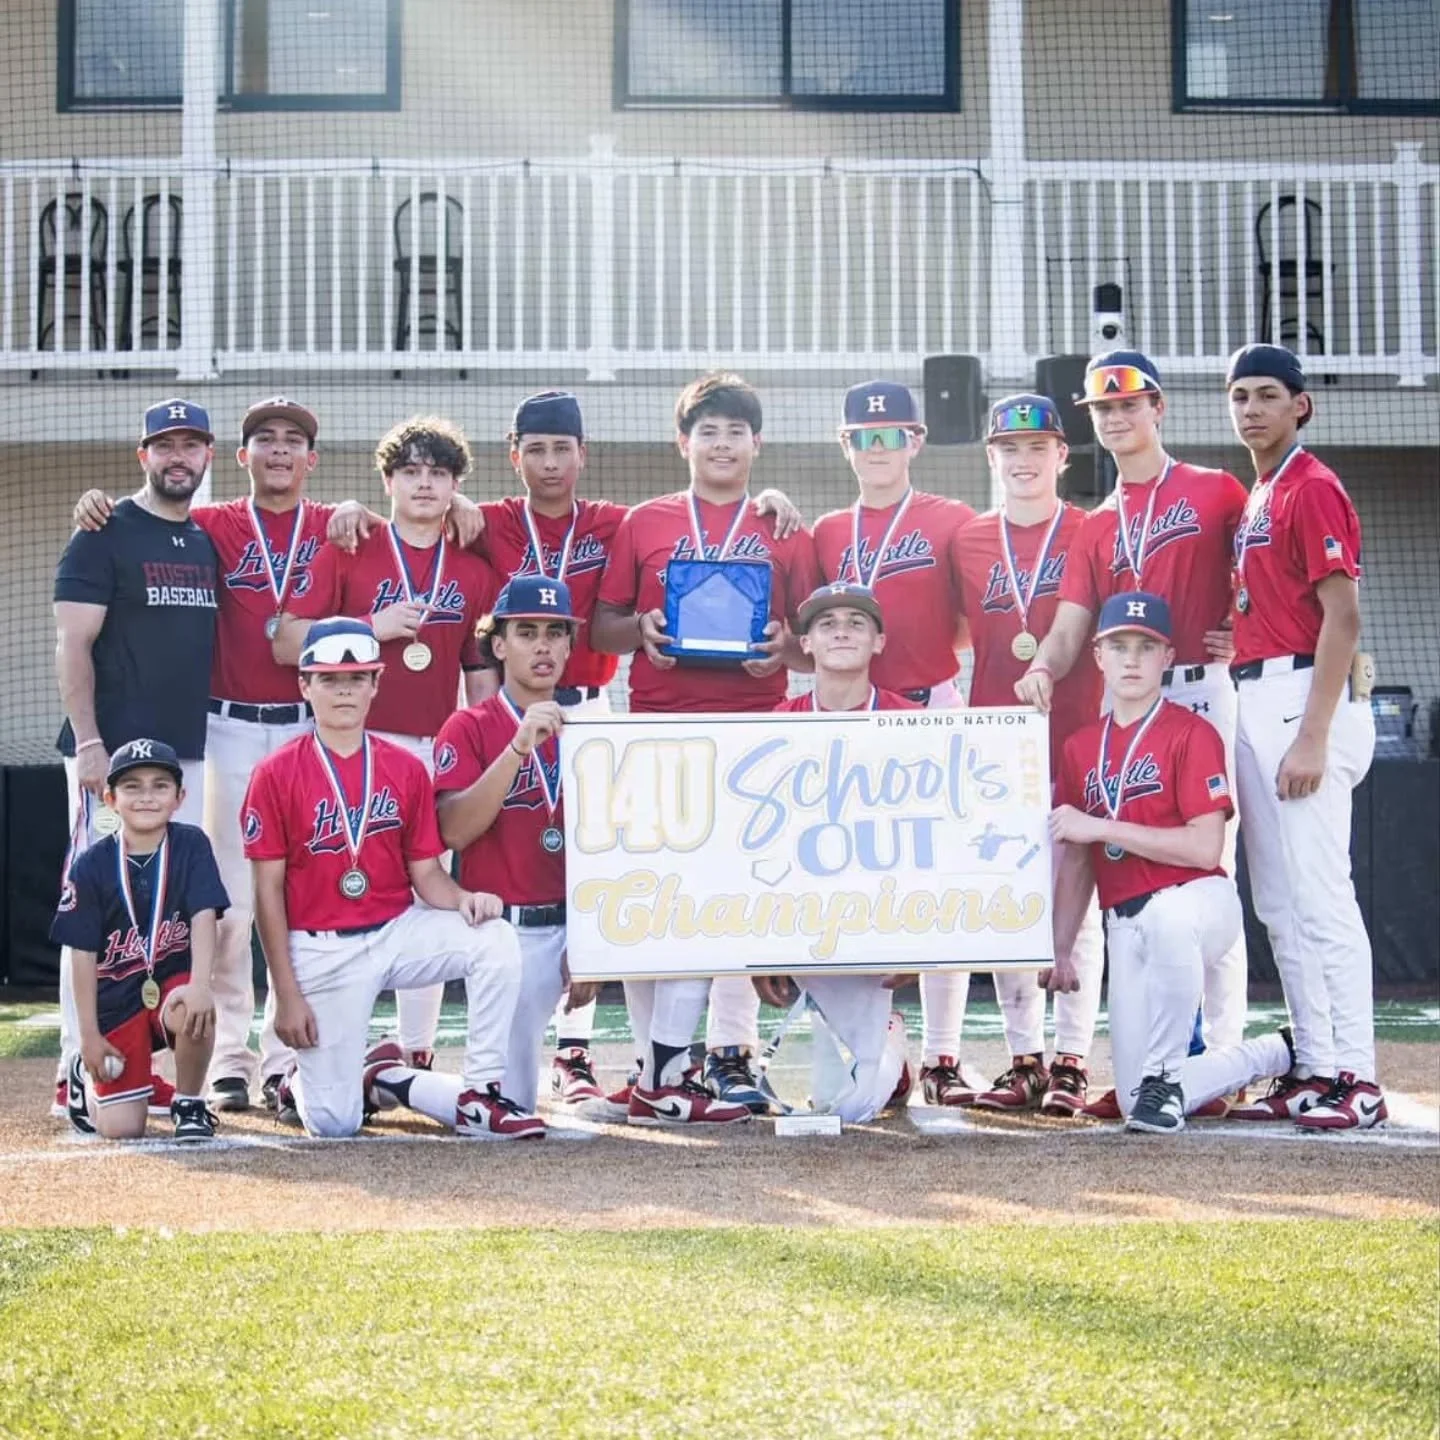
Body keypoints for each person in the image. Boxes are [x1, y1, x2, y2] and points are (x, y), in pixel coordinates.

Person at [72, 395, 333, 1116]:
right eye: (264, 440)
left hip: (306, 730)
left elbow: (410, 528)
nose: (279, 451)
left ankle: (291, 1063)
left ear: (311, 459)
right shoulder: (210, 525)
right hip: (223, 730)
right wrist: (98, 503)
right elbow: (146, 513)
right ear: (240, 458)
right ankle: (228, 1058)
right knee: (227, 903)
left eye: (293, 442)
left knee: (304, 896)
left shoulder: (342, 529)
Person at [1014, 350, 1252, 1083]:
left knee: (1216, 867)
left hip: (1202, 687)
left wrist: (1249, 630)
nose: (1117, 419)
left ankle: (1219, 1056)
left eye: (1129, 405)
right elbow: (1072, 621)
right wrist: (1046, 665)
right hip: (1124, 693)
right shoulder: (1097, 523)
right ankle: (1151, 1057)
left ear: (1159, 408)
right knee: (1133, 866)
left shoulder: (1217, 491)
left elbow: (1264, 580)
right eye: (1104, 411)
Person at [591, 371, 819, 1124]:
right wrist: (642, 634)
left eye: (735, 431)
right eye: (707, 431)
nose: (721, 444)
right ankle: (659, 1061)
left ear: (757, 443)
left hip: (756, 727)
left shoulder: (784, 527)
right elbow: (603, 626)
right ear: (682, 443)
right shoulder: (645, 521)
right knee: (661, 895)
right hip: (661, 725)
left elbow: (812, 648)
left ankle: (729, 1052)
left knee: (738, 894)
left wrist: (783, 649)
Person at [242, 617, 535, 1140]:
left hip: (397, 929)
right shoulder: (275, 773)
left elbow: (426, 874)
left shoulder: (403, 768)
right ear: (304, 685)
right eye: (330, 679)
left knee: (495, 938)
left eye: (357, 679)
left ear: (377, 684)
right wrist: (285, 993)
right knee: (334, 1125)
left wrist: (464, 899)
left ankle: (483, 1088)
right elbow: (267, 893)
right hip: (323, 950)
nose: (344, 690)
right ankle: (382, 1077)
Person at [275, 417, 500, 1081]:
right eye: (410, 472)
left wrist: (483, 751)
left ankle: (415, 1048)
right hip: (350, 748)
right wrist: (370, 628)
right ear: (388, 482)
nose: (424, 484)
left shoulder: (472, 567)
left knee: (428, 892)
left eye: (438, 473)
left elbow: (478, 672)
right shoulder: (352, 543)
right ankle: (290, 1055)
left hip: (434, 751)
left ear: (457, 485)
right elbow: (287, 640)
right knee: (326, 888)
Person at [1048, 592, 1293, 1133]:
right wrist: (1061, 947)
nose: (1131, 659)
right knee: (1137, 1102)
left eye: (1146, 647)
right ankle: (1273, 1054)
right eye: (1119, 647)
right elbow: (1081, 863)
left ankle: (1164, 1074)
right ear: (1098, 657)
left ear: (1167, 658)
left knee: (1167, 916)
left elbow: (1205, 848)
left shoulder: (1192, 731)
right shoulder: (1079, 747)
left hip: (1198, 902)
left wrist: (1104, 827)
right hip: (1124, 923)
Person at [1221, 344, 1385, 1130]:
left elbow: (1343, 616)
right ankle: (1315, 1066)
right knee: (1281, 906)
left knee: (1323, 898)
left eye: (1266, 395)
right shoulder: (1262, 493)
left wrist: (1313, 736)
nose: (1250, 408)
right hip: (1258, 693)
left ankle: (1359, 1074)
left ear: (1299, 405)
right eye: (1239, 396)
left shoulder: (1312, 485)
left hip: (1302, 701)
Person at [809, 379, 979, 1109]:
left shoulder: (954, 518)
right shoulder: (824, 531)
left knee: (937, 882)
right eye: (862, 438)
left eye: (891, 436)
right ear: (846, 446)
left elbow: (977, 619)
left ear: (914, 442)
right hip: (849, 720)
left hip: (930, 706)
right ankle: (864, 1038)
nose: (877, 449)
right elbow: (817, 627)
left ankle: (943, 1054)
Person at [52, 398, 219, 1120]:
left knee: (172, 915)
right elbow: (72, 644)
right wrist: (90, 743)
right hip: (111, 762)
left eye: (190, 445)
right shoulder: (103, 531)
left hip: (187, 756)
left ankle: (145, 1061)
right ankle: (72, 1067)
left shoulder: (209, 539)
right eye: (164, 445)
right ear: (142, 455)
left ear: (209, 455)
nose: (177, 457)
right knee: (94, 909)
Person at [948, 395, 1105, 1115]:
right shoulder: (968, 538)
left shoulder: (1092, 529)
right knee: (1007, 894)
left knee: (1082, 900)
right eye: (1009, 448)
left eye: (1038, 447)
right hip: (995, 737)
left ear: (1061, 456)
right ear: (991, 457)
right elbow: (945, 628)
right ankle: (1025, 1060)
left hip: (1079, 728)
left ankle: (1072, 1061)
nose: (1023, 460)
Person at [419, 575, 602, 1120]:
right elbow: (453, 830)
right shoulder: (469, 726)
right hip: (504, 933)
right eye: (526, 632)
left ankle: (667, 1076)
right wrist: (519, 746)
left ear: (571, 646)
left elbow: (611, 847)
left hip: (570, 923)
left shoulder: (593, 732)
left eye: (555, 633)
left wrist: (597, 942)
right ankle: (395, 1080)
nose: (543, 646)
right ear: (498, 645)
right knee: (503, 1106)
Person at [761, 582, 918, 1122]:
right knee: (836, 1106)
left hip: (880, 922)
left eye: (857, 621)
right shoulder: (772, 727)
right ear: (805, 644)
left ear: (879, 642)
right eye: (827, 624)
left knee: (849, 1109)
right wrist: (757, 951)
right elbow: (753, 849)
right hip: (801, 922)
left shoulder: (916, 727)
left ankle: (890, 1041)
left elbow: (940, 845)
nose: (843, 630)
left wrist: (927, 944)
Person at [50, 740, 227, 1142]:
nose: (147, 796)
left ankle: (189, 1103)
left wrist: (201, 985)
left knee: (194, 1009)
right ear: (110, 798)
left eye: (159, 785)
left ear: (180, 797)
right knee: (123, 1130)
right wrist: (89, 1037)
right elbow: (82, 954)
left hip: (169, 989)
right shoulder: (92, 864)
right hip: (116, 1001)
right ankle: (83, 1078)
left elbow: (204, 918)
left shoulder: (191, 844)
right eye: (132, 787)